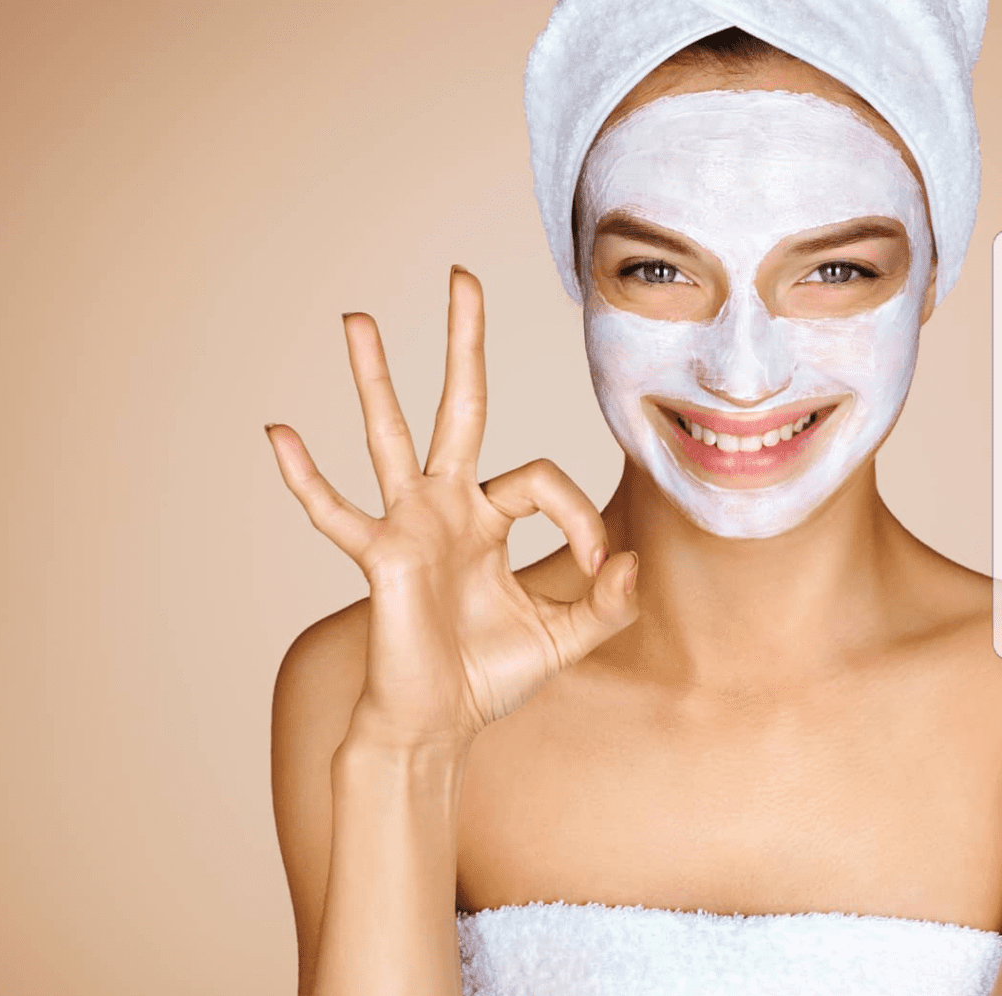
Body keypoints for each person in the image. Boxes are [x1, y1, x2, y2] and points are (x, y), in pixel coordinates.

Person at [265, 2, 1001, 994]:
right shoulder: (365, 678)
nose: (741, 375)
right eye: (657, 269)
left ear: (931, 274)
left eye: (834, 270)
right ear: (582, 275)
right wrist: (407, 751)